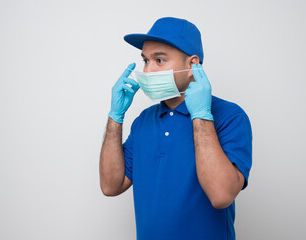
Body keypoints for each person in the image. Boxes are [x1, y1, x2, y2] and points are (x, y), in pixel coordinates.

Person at [99, 17, 252, 240]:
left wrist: (200, 115)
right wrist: (116, 117)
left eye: (159, 60)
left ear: (192, 65)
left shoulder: (230, 116)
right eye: (145, 60)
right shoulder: (144, 121)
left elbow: (221, 195)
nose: (148, 70)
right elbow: (111, 186)